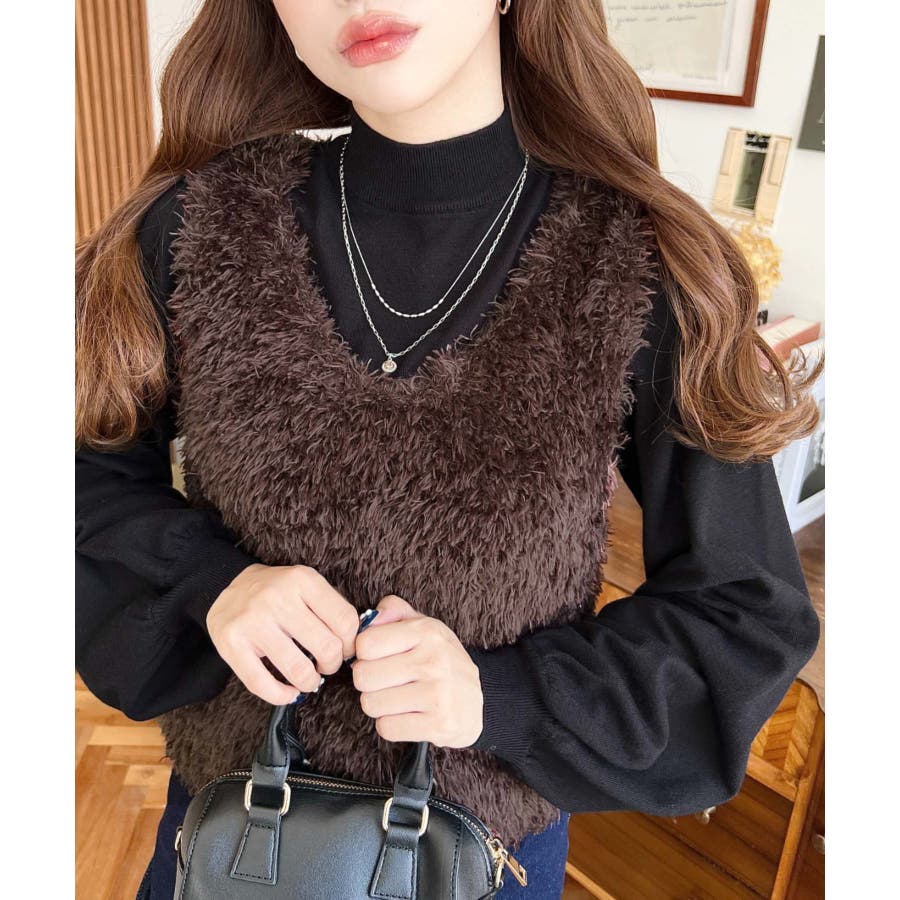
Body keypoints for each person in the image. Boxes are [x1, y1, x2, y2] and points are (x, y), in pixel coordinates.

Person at [75, 2, 823, 898]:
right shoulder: (194, 226)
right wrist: (210, 582)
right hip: (230, 849)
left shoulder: (645, 264)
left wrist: (497, 697)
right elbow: (74, 473)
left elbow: (744, 608)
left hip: (485, 860)